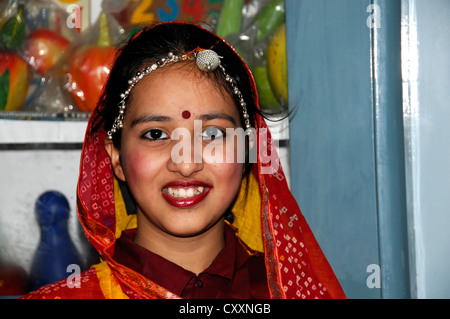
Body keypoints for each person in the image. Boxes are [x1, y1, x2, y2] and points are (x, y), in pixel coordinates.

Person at [22, 22, 345, 299]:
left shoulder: (291, 290)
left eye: (213, 135)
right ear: (115, 156)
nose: (186, 164)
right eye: (156, 135)